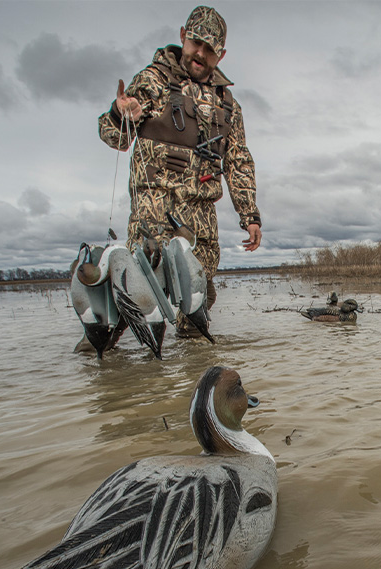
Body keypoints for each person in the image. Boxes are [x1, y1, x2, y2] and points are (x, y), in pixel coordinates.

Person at [98, 5, 262, 336]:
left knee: (198, 307)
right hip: (154, 214)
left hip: (201, 221)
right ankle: (100, 363)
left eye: (210, 49)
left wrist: (251, 216)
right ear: (183, 36)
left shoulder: (228, 105)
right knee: (133, 298)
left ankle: (192, 376)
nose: (200, 53)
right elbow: (113, 137)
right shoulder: (151, 81)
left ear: (222, 54)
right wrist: (122, 115)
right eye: (196, 43)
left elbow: (238, 161)